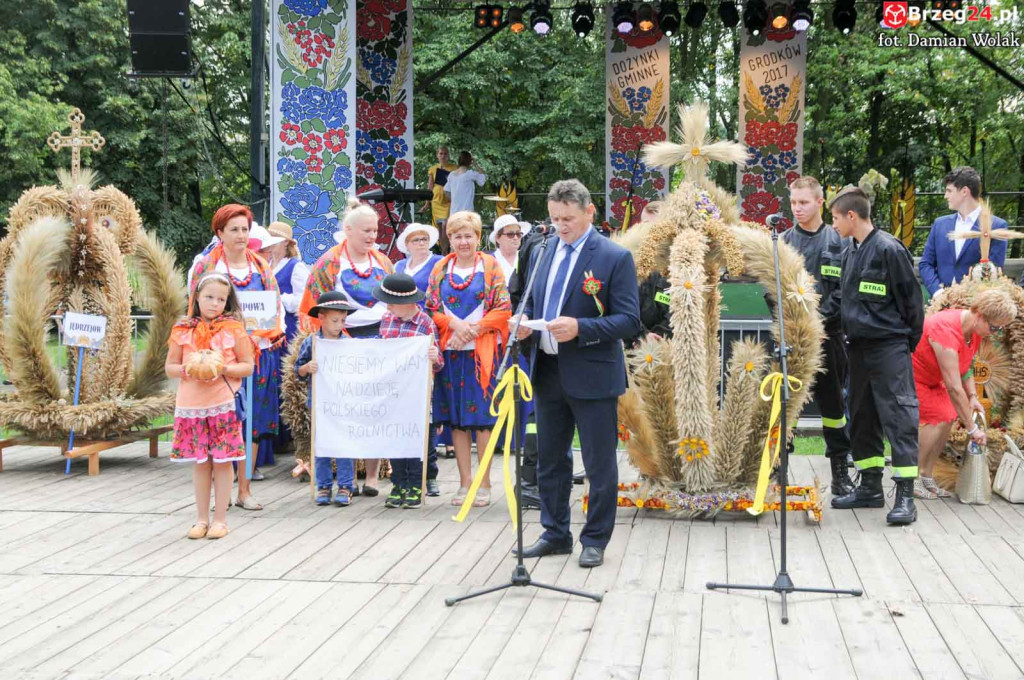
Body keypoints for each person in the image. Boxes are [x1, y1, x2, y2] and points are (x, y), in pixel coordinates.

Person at [514, 179, 642, 568]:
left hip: (592, 373)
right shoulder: (542, 249)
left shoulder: (613, 257)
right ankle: (555, 533)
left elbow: (629, 320)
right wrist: (521, 322)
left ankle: (595, 539)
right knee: (551, 458)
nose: (560, 226)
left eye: (567, 218)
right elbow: (527, 297)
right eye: (554, 218)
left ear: (590, 212)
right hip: (547, 369)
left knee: (598, 461)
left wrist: (581, 328)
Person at [829, 187, 924, 525]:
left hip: (888, 348)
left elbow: (913, 304)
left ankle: (905, 497)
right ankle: (869, 486)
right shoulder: (849, 251)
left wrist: (902, 344)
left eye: (836, 218)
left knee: (898, 416)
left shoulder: (888, 249)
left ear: (851, 216)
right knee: (862, 415)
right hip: (857, 349)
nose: (834, 224)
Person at [190, 205, 287, 510]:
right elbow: (194, 311)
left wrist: (267, 332)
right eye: (234, 229)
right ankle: (223, 490)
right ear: (219, 233)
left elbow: (276, 307)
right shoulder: (207, 267)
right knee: (222, 421)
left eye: (245, 229)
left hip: (257, 353)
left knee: (252, 421)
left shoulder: (261, 267)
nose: (241, 235)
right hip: (219, 358)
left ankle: (244, 488)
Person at [299, 200, 395, 496]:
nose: (371, 236)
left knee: (374, 409)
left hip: (378, 341)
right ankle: (346, 479)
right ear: (348, 230)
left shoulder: (383, 262)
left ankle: (373, 477)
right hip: (342, 344)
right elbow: (311, 308)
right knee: (346, 410)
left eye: (375, 230)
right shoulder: (329, 262)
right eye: (366, 230)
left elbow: (394, 304)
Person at [425, 211, 512, 507]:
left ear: (478, 237)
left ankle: (484, 484)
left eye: (468, 235)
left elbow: (503, 307)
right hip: (451, 353)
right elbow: (431, 308)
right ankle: (465, 484)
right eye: (457, 236)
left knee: (483, 420)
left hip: (481, 353)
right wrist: (455, 326)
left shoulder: (490, 267)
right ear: (450, 239)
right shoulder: (440, 268)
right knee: (458, 421)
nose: (463, 241)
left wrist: (473, 329)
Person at [166, 273, 255, 539]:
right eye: (209, 297)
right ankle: (201, 518)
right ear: (196, 298)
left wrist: (223, 368)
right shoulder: (183, 330)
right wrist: (186, 368)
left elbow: (248, 366)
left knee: (223, 461)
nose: (214, 303)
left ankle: (220, 519)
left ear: (227, 302)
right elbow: (169, 366)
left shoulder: (233, 330)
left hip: (221, 403)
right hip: (192, 404)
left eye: (220, 299)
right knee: (201, 463)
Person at [781, 176, 855, 496]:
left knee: (834, 407)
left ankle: (840, 469)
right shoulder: (782, 242)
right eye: (794, 202)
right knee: (786, 406)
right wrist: (798, 326)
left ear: (820, 202)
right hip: (793, 339)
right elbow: (775, 292)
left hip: (829, 339)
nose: (797, 208)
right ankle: (778, 468)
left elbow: (844, 290)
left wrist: (822, 325)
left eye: (804, 202)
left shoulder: (839, 241)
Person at [912, 289, 1017, 498]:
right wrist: (972, 429)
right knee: (939, 416)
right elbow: (952, 386)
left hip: (935, 379)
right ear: (979, 314)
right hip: (913, 376)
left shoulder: (974, 332)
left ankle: (926, 474)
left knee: (950, 414)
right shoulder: (946, 330)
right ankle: (912, 477)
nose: (994, 332)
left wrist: (973, 398)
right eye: (994, 327)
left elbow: (966, 367)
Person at [374, 273, 445, 509]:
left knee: (417, 439)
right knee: (395, 438)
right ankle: (398, 482)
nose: (388, 306)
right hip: (394, 392)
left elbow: (439, 361)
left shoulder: (425, 322)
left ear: (408, 303)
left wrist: (434, 356)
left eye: (392, 302)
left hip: (417, 393)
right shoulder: (386, 319)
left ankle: (417, 482)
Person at [294, 291, 358, 506]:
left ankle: (346, 485)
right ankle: (322, 485)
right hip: (320, 402)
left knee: (344, 444)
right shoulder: (312, 343)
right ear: (321, 318)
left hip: (343, 402)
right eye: (334, 320)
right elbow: (297, 370)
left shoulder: (348, 342)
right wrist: (306, 368)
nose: (339, 325)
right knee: (320, 444)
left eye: (342, 320)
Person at [395, 223, 444, 496]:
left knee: (426, 416)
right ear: (407, 244)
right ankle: (401, 477)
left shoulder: (437, 264)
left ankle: (429, 474)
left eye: (424, 239)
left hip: (425, 328)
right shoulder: (398, 267)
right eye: (415, 239)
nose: (421, 243)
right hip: (400, 340)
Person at [919, 166, 1008, 299]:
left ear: (964, 191)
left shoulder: (996, 225)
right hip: (941, 305)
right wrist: (938, 292)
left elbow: (994, 271)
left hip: (975, 307)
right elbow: (925, 263)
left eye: (949, 191)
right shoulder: (940, 224)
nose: (945, 196)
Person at [259, 221, 310, 343]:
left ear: (286, 242)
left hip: (288, 328)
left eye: (274, 238)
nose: (270, 241)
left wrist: (278, 299)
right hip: (267, 326)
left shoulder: (296, 267)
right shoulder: (266, 265)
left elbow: (302, 302)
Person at [632, 200, 673, 343]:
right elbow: (623, 304)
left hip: (668, 346)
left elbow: (678, 308)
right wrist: (642, 335)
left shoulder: (678, 261)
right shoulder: (630, 258)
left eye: (653, 227)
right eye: (644, 225)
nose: (648, 232)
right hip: (634, 344)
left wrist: (659, 336)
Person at [423, 146, 457, 250]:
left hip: (448, 200)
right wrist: (426, 204)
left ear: (448, 155)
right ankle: (443, 253)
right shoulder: (433, 168)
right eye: (441, 153)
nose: (443, 156)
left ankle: (447, 250)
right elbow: (430, 186)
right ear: (437, 155)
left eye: (445, 154)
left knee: (445, 226)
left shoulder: (455, 168)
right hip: (436, 201)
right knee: (439, 227)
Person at [490, 214, 530, 285]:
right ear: (498, 238)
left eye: (518, 234)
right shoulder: (489, 261)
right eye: (510, 234)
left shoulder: (526, 258)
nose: (515, 238)